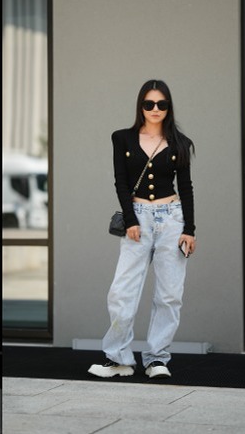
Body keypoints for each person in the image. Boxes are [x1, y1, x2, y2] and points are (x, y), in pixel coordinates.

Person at [88, 79, 196, 379]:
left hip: (172, 218)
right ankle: (119, 358)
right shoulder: (121, 138)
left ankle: (157, 359)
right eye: (149, 104)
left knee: (170, 294)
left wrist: (190, 228)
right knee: (122, 291)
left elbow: (185, 188)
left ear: (168, 107)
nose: (155, 109)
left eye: (161, 104)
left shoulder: (180, 143)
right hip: (139, 219)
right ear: (141, 106)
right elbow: (120, 181)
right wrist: (132, 219)